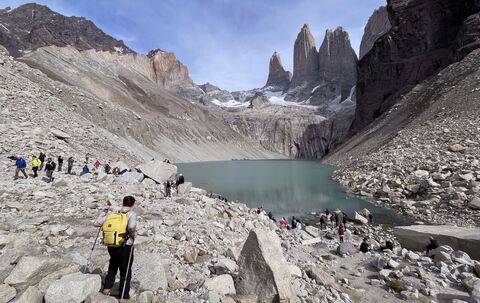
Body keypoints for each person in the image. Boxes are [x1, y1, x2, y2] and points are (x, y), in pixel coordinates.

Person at [94, 196, 137, 300]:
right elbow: (131, 227)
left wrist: (104, 212)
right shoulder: (131, 214)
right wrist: (133, 235)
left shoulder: (112, 213)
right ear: (133, 204)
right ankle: (123, 294)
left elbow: (97, 223)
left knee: (113, 264)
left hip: (111, 244)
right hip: (125, 245)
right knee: (125, 270)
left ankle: (107, 288)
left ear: (123, 202)